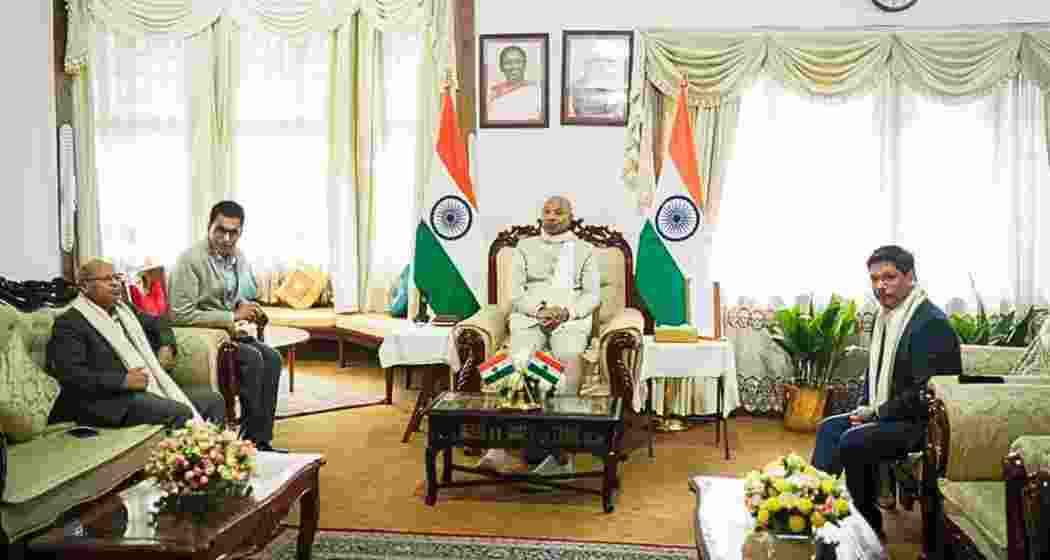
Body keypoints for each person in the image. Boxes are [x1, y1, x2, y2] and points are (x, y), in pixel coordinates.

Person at [810, 245, 961, 540]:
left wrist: (877, 414)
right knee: (829, 428)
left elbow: (925, 393)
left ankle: (867, 522)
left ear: (910, 277)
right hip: (889, 412)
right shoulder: (886, 316)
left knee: (853, 441)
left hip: (925, 424)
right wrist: (863, 408)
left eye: (889, 277)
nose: (881, 286)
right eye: (875, 279)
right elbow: (875, 372)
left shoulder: (929, 323)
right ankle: (813, 506)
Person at [478, 195, 601, 475]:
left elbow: (592, 295)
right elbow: (514, 292)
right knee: (517, 362)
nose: (552, 217)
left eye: (559, 212)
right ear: (541, 216)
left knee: (568, 362)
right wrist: (539, 310)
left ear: (570, 217)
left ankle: (561, 453)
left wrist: (566, 312)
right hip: (530, 317)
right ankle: (504, 445)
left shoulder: (585, 250)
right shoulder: (524, 247)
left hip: (569, 319)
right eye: (547, 212)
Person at [47, 258, 225, 429]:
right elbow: (72, 375)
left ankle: (211, 449)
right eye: (107, 279)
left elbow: (159, 323)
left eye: (116, 277)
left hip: (145, 389)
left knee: (212, 401)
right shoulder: (69, 323)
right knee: (179, 412)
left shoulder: (125, 310)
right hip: (105, 402)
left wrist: (167, 346)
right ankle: (185, 450)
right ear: (84, 286)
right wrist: (123, 381)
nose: (115, 283)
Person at [168, 200, 284, 452]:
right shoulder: (189, 260)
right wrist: (232, 315)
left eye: (234, 232)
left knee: (273, 358)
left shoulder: (237, 256)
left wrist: (246, 306)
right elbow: (179, 314)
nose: (227, 238)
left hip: (226, 333)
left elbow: (230, 297)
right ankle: (246, 442)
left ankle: (260, 440)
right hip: (202, 341)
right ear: (209, 226)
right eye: (220, 230)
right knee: (253, 359)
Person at [487, 45, 542, 122]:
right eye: (508, 63)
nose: (513, 67)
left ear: (524, 64)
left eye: (517, 62)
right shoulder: (493, 94)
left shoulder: (536, 91)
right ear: (501, 67)